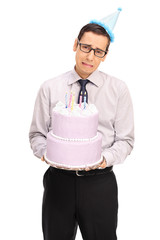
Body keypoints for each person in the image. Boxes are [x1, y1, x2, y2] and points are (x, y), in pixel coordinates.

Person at [29, 9, 134, 240]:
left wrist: (103, 159)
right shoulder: (50, 87)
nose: (90, 57)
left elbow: (126, 140)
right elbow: (36, 134)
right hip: (59, 182)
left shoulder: (118, 90)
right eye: (86, 47)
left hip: (100, 183)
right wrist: (48, 153)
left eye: (98, 51)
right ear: (75, 44)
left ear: (105, 55)